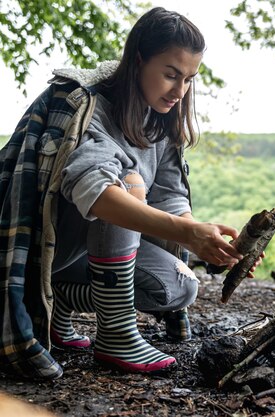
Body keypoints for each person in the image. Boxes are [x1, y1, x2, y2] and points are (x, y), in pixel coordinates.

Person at [0, 7, 259, 378]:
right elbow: (96, 191)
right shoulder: (90, 107)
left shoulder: (161, 119)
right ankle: (116, 334)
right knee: (129, 184)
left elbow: (169, 198)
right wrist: (186, 232)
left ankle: (55, 304)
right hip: (46, 249)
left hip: (84, 260)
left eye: (189, 79)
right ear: (138, 60)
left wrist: (207, 239)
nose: (179, 90)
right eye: (171, 75)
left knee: (180, 288)